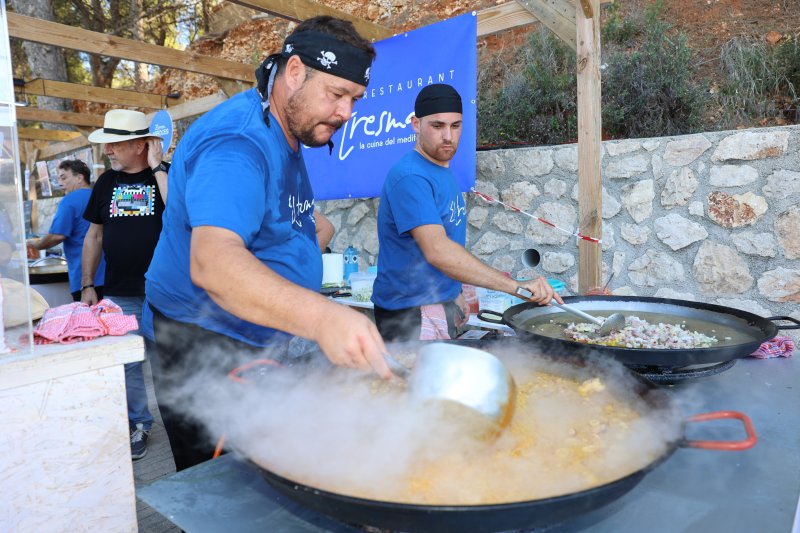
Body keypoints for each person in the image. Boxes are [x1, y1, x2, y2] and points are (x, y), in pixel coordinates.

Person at [144, 16, 391, 471]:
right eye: (337, 95)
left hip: (260, 337)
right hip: (206, 343)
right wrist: (323, 319)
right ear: (294, 72)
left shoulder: (286, 131)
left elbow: (289, 221)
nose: (347, 114)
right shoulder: (236, 144)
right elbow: (213, 264)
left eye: (355, 99)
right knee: (227, 490)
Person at [372, 84, 563, 342]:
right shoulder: (410, 176)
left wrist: (456, 291)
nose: (448, 136)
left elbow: (449, 242)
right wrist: (518, 289)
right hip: (407, 313)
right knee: (418, 382)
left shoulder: (440, 169)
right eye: (437, 126)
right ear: (416, 124)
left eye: (455, 125)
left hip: (438, 302)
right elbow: (438, 250)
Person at [83, 109, 168, 460]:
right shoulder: (105, 183)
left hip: (166, 292)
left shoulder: (166, 177)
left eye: (115, 144)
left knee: (169, 362)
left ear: (140, 144)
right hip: (120, 292)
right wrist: (89, 284)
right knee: (128, 363)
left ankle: (186, 423)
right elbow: (95, 235)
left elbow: (180, 211)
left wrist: (160, 166)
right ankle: (139, 424)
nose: (108, 151)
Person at [26, 159, 106, 301]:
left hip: (84, 278)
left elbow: (57, 236)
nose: (60, 183)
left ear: (80, 177)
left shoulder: (69, 200)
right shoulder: (101, 197)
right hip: (109, 275)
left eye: (64, 177)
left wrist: (36, 244)